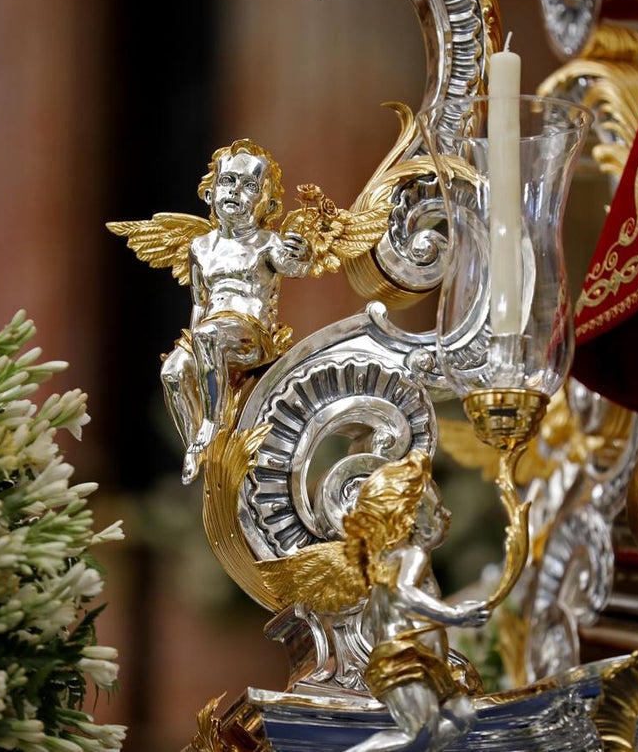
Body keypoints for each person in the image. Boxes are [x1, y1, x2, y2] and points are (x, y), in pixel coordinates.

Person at [162, 139, 314, 484]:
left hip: (251, 337)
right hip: (209, 336)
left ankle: (211, 428)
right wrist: (192, 353)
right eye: (228, 181)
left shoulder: (267, 242)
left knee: (208, 335)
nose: (235, 192)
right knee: (172, 371)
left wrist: (302, 252)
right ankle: (197, 447)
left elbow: (293, 266)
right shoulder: (200, 248)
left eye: (249, 186)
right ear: (209, 193)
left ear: (268, 203)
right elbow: (200, 303)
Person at [341, 450, 489, 752]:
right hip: (406, 662)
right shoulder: (412, 555)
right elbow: (405, 593)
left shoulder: (386, 564)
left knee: (462, 718)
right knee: (418, 731)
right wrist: (455, 616)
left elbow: (373, 620)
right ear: (411, 520)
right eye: (437, 511)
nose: (447, 516)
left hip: (427, 664)